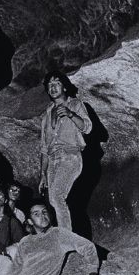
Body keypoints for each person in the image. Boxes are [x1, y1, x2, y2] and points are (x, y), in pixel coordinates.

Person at [38, 70, 92, 231]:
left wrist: (71, 114)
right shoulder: (47, 114)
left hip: (70, 156)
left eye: (57, 83)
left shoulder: (75, 104)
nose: (53, 87)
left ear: (65, 87)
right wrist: (43, 174)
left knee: (57, 197)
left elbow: (87, 128)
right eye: (49, 85)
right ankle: (65, 235)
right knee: (54, 201)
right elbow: (44, 147)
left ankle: (66, 239)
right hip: (52, 161)